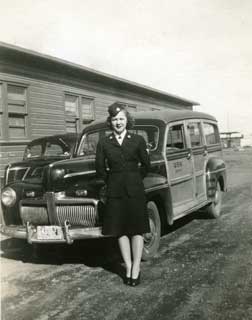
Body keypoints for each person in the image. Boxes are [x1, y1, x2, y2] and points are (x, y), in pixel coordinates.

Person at [95, 102, 150, 286]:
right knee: (120, 230)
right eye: (115, 119)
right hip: (115, 191)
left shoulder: (138, 140)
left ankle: (136, 267)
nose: (118, 122)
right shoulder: (104, 143)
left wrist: (133, 179)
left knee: (137, 229)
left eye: (121, 119)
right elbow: (100, 168)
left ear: (127, 120)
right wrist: (112, 181)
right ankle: (127, 266)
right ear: (110, 122)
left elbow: (146, 165)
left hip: (135, 191)